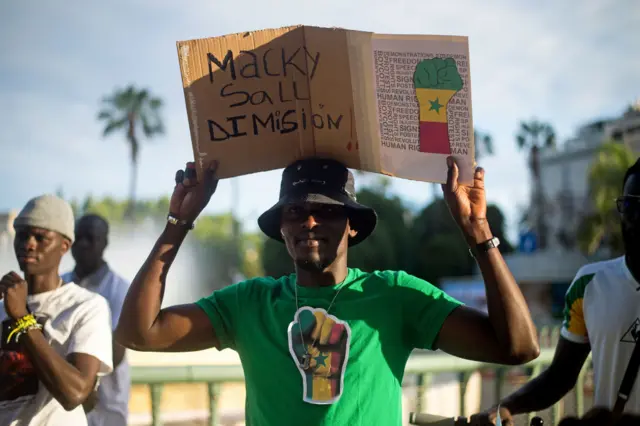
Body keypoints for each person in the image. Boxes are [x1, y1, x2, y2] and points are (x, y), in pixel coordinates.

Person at [115, 157, 540, 426]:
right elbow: (140, 333)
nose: (310, 222)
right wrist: (179, 222)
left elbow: (519, 347)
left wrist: (478, 232)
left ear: (352, 225)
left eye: (326, 210)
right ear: (281, 228)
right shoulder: (250, 304)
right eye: (296, 211)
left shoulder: (394, 296)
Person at [470, 158, 640, 425]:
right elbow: (560, 375)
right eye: (631, 205)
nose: (637, 217)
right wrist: (505, 408)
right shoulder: (590, 284)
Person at [0, 194, 113, 425]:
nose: (28, 244)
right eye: (22, 235)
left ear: (64, 246)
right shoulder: (4, 307)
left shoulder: (86, 307)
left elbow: (75, 393)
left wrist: (22, 318)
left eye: (41, 237)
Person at [61, 214, 131, 426]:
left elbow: (117, 350)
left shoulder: (121, 289)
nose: (83, 244)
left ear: (105, 243)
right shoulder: (59, 285)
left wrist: (84, 385)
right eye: (79, 237)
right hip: (66, 398)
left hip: (107, 403)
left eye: (90, 238)